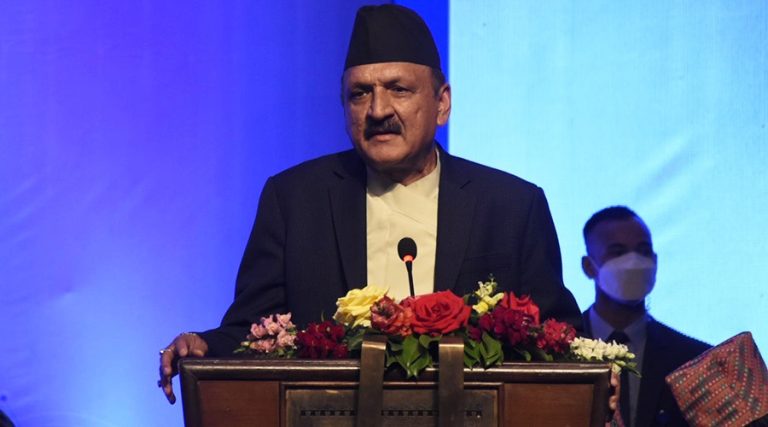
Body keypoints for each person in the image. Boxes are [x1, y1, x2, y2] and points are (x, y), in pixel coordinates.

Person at [158, 4, 584, 405]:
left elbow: (557, 336)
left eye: (398, 89)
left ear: (442, 104)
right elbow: (253, 331)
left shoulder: (510, 206)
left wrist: (598, 375)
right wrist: (204, 346)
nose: (378, 110)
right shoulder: (295, 199)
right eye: (360, 93)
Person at [580, 206, 710, 427]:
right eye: (618, 252)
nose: (634, 262)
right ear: (589, 267)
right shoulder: (554, 350)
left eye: (643, 250)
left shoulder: (695, 359)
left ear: (655, 261)